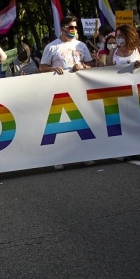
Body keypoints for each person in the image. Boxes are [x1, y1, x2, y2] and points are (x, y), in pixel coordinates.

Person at [39, 16, 96, 170]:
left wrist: (83, 66)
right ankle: (59, 157)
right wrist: (52, 69)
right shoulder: (52, 47)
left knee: (83, 123)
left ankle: (86, 155)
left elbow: (91, 64)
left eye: (76, 27)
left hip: (79, 89)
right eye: (71, 27)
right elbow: (42, 67)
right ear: (63, 28)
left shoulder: (81, 45)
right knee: (60, 124)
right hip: (60, 91)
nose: (74, 30)